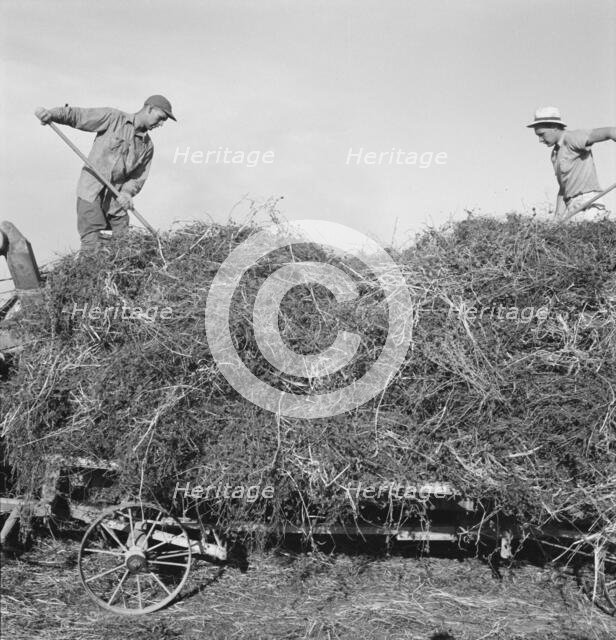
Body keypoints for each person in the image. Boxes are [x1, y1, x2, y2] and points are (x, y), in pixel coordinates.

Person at [35, 95, 176, 250]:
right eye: (161, 118)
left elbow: (137, 178)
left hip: (117, 202)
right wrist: (52, 114)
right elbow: (80, 116)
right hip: (92, 193)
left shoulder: (147, 146)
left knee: (123, 247)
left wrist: (127, 193)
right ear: (150, 108)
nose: (161, 124)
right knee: (93, 245)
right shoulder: (114, 118)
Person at [527, 106, 615, 222]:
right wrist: (557, 219)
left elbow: (610, 132)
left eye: (541, 134)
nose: (540, 140)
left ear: (554, 127)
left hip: (588, 206)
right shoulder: (555, 154)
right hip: (572, 207)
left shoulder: (572, 137)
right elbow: (563, 189)